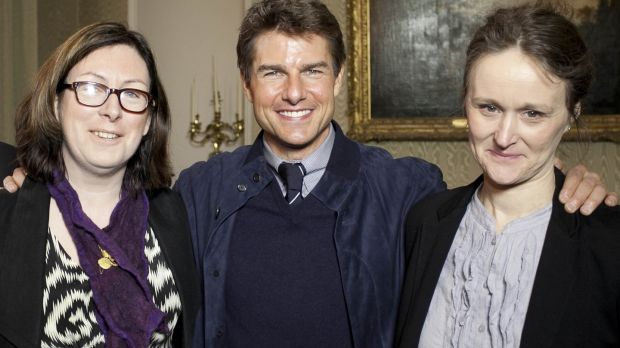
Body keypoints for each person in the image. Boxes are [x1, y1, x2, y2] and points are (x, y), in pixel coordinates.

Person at [3, 1, 616, 347]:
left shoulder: (410, 191)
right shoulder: (199, 192)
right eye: (273, 72)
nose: (294, 92)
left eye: (313, 71)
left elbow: (504, 185)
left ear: (340, 80)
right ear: (246, 84)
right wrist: (26, 183)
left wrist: (562, 179)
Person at [396, 3, 620, 348]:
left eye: (532, 113)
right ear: (464, 101)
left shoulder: (607, 244)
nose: (503, 137)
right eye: (489, 107)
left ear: (571, 114)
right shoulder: (425, 222)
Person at [0, 22, 200, 347]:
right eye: (92, 88)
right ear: (55, 104)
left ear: (148, 120)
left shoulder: (171, 211)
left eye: (132, 93)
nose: (112, 110)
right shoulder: (10, 211)